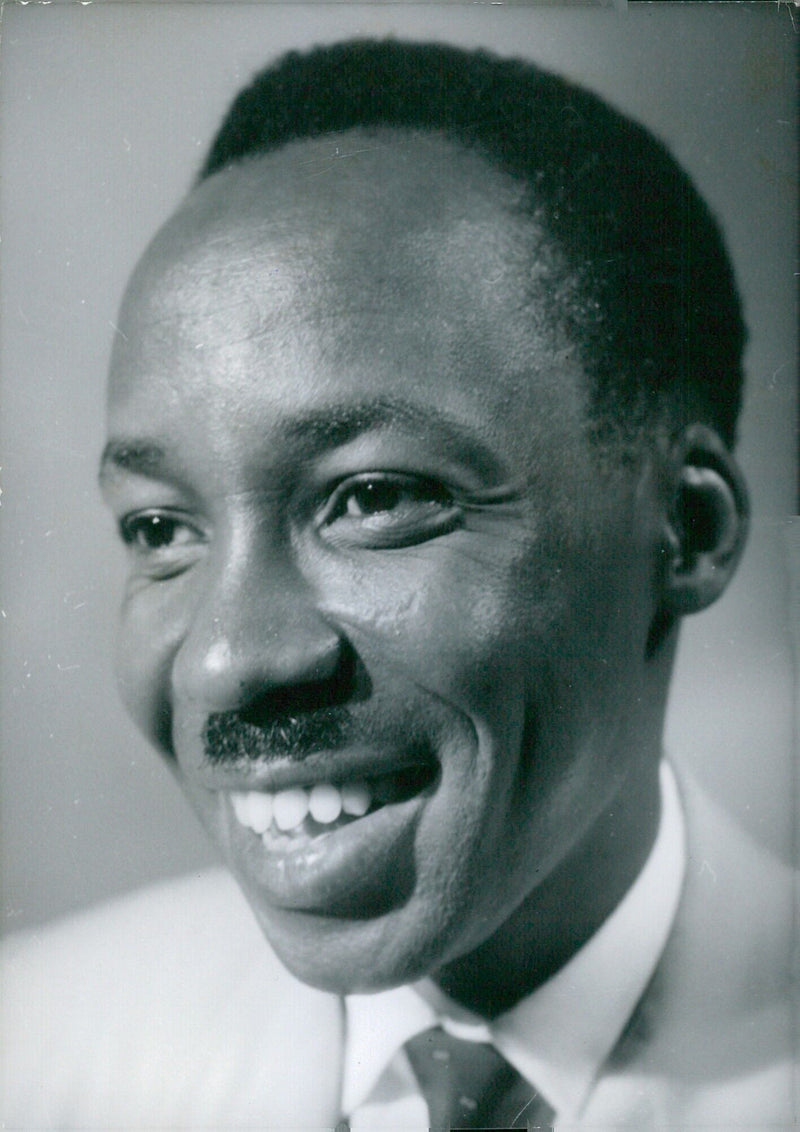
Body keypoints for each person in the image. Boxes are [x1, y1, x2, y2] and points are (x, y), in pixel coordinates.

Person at [2, 39, 793, 1130]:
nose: (225, 659)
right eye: (159, 527)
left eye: (370, 497)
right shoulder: (32, 1045)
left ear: (688, 531)